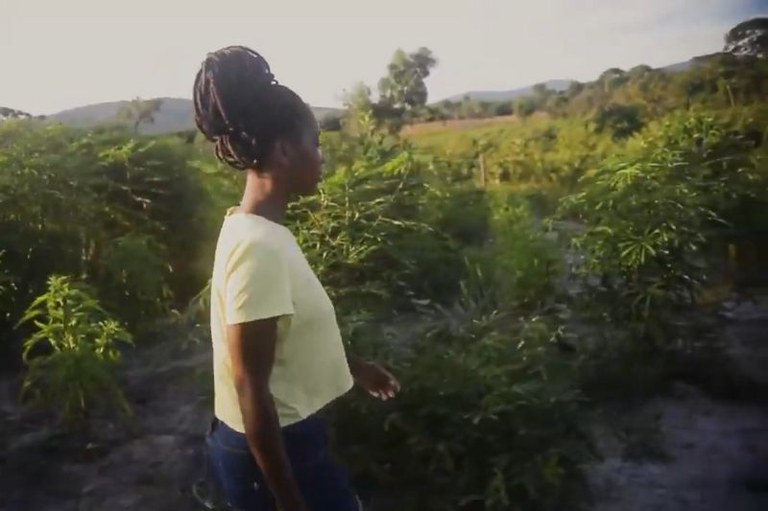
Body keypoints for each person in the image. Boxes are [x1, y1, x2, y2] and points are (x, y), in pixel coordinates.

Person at [194, 46, 401, 511]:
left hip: (284, 438)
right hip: (273, 448)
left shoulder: (260, 232)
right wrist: (290, 502)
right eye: (317, 143)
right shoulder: (258, 248)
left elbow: (284, 340)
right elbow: (251, 386)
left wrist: (352, 367)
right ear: (286, 150)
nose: (322, 157)